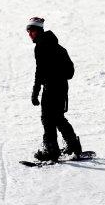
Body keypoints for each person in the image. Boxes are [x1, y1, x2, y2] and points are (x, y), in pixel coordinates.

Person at [26, 17, 82, 162]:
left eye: (32, 30)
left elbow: (40, 71)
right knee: (57, 117)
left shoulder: (41, 46)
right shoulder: (57, 46)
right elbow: (70, 72)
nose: (29, 34)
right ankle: (73, 146)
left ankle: (51, 150)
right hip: (61, 87)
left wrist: (35, 93)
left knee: (47, 118)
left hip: (52, 87)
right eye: (28, 31)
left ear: (39, 30)